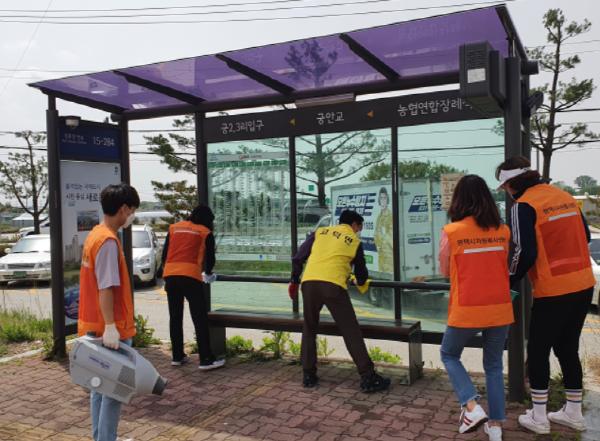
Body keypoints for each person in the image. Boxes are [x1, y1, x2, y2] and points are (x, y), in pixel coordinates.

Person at [496, 156, 594, 434]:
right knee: (567, 348)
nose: (506, 192)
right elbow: (585, 235)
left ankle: (539, 417)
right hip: (584, 283)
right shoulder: (564, 196)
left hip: (553, 289)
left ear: (512, 184)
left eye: (505, 187)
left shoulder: (523, 206)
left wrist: (508, 279)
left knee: (539, 350)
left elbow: (523, 252)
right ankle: (573, 412)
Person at [439, 175, 514, 441]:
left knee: (449, 354)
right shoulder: (503, 231)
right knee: (493, 366)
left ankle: (471, 406)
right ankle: (495, 426)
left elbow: (444, 269)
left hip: (467, 308)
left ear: (459, 200)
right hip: (500, 307)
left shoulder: (452, 232)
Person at [289, 209, 390, 392]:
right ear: (354, 224)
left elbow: (298, 257)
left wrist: (295, 279)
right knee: (350, 330)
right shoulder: (354, 241)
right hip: (333, 285)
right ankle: (368, 377)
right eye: (359, 227)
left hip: (309, 283)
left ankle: (308, 375)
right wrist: (357, 280)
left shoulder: (320, 232)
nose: (358, 231)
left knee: (309, 328)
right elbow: (361, 275)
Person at [78, 183, 140, 441]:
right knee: (114, 390)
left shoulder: (96, 234)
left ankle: (102, 437)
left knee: (99, 386)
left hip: (95, 326)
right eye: (132, 210)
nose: (132, 216)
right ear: (123, 209)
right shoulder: (108, 242)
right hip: (110, 331)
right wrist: (112, 327)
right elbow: (106, 287)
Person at [161, 204, 224, 370]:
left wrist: (167, 271)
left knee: (175, 317)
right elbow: (210, 259)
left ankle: (177, 356)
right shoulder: (204, 232)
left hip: (170, 276)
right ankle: (206, 359)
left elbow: (165, 253)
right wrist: (208, 273)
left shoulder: (174, 228)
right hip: (190, 277)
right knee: (199, 318)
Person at [374, 187, 393, 274]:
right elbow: (376, 233)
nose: (383, 201)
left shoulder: (390, 216)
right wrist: (378, 245)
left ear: (387, 199)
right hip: (381, 255)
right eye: (381, 198)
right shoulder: (379, 216)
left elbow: (391, 236)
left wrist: (382, 241)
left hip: (389, 256)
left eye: (384, 198)